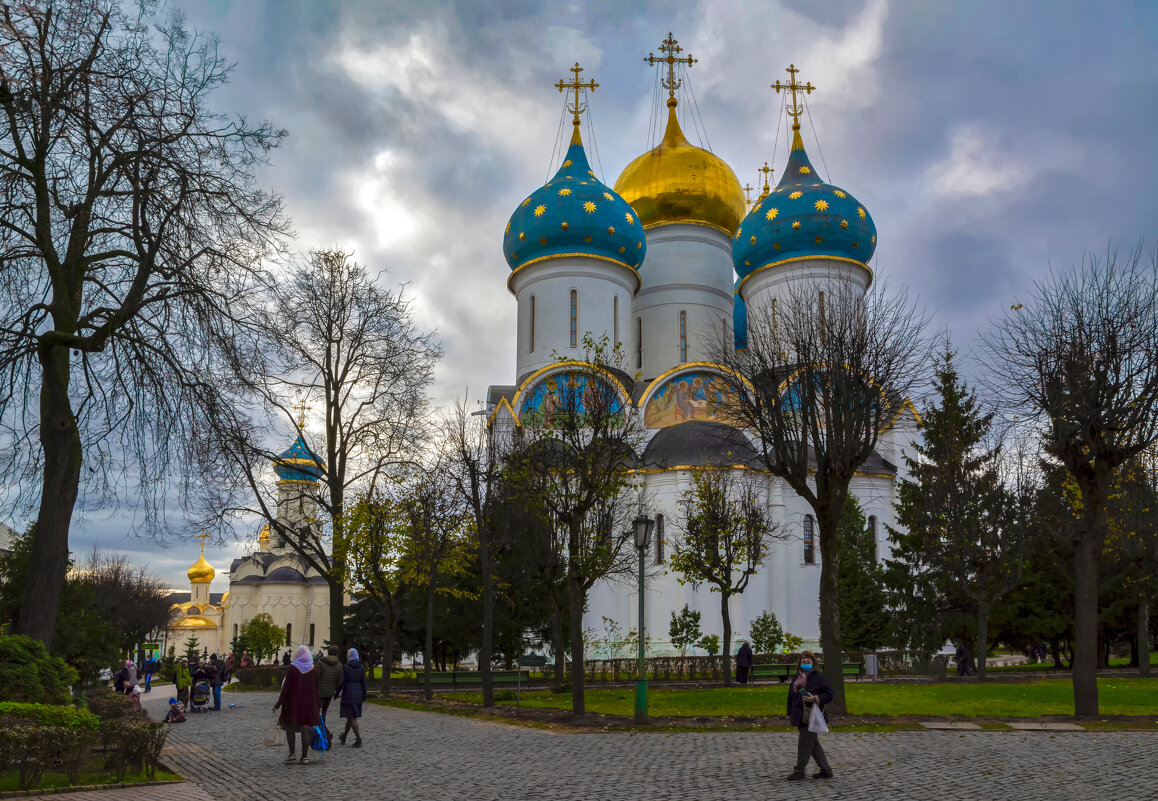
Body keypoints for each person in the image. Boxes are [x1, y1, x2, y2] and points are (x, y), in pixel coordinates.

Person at [785, 649, 834, 781]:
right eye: (803, 658)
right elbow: (791, 696)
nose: (805, 660)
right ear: (800, 662)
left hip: (811, 716)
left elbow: (829, 694)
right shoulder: (797, 677)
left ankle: (799, 771)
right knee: (812, 745)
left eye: (809, 658)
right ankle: (826, 770)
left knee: (804, 744)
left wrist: (815, 698)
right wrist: (789, 712)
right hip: (799, 715)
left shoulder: (819, 676)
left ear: (813, 662)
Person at [273, 645, 321, 765]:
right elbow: (316, 689)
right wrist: (318, 705)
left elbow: (286, 688)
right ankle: (305, 757)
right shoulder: (313, 669)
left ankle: (292, 753)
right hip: (309, 704)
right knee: (306, 729)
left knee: (290, 728)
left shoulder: (293, 668)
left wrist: (278, 704)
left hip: (293, 703)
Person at [336, 647, 367, 747]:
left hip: (348, 693)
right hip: (358, 693)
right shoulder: (361, 667)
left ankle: (358, 739)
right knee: (350, 716)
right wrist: (364, 695)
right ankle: (344, 736)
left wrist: (336, 694)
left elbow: (342, 682)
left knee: (352, 717)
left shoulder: (346, 667)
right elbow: (364, 683)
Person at [316, 645, 343, 741]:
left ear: (328, 652)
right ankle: (323, 734)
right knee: (323, 713)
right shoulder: (339, 665)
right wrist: (333, 687)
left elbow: (315, 677)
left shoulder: (320, 662)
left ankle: (326, 733)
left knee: (316, 713)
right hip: (329, 693)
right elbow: (340, 681)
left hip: (319, 692)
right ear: (337, 654)